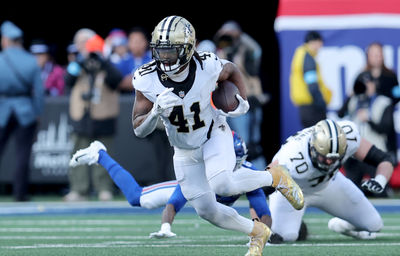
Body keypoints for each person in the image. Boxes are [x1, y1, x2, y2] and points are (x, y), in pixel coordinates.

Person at [131, 15, 304, 256]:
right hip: (183, 148)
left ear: (188, 49)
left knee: (222, 183)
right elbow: (139, 129)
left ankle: (273, 177)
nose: (164, 57)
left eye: (171, 51)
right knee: (206, 210)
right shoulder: (145, 77)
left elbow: (232, 70)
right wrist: (155, 112)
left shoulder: (207, 65)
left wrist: (242, 102)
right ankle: (256, 231)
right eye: (160, 51)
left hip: (213, 133)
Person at [69, 131, 293, 244]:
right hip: (191, 185)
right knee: (138, 198)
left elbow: (262, 210)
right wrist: (166, 226)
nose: (231, 165)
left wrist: (264, 233)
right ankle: (99, 154)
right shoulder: (205, 169)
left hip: (210, 204)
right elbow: (176, 201)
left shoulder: (247, 171)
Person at [268, 119, 394, 242]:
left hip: (329, 184)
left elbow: (385, 159)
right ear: (313, 148)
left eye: (334, 159)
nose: (329, 162)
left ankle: (340, 225)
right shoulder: (290, 157)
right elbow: (258, 187)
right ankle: (295, 225)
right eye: (325, 158)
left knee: (374, 224)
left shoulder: (348, 136)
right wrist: (258, 223)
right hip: (290, 192)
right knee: (285, 236)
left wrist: (380, 180)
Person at [64, 29, 123, 201]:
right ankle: (78, 189)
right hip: (81, 115)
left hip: (103, 115)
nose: (82, 46)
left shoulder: (107, 60)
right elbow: (68, 80)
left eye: (85, 42)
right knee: (78, 152)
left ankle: (104, 188)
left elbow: (116, 80)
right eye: (80, 43)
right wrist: (80, 62)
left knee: (103, 153)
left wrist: (102, 60)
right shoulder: (76, 62)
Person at [214, 21, 269, 169]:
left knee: (251, 145)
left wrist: (238, 34)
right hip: (227, 106)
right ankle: (236, 176)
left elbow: (257, 50)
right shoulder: (221, 53)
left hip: (248, 104)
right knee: (231, 143)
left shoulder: (247, 52)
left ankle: (258, 177)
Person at [0, 21, 44, 201]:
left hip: (2, 111)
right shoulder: (31, 61)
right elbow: (39, 93)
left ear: (7, 40)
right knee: (23, 154)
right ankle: (20, 193)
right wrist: (38, 113)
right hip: (25, 111)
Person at [338, 69, 396, 196]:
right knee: (350, 193)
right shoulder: (354, 100)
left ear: (374, 84)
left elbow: (386, 128)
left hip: (374, 152)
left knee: (379, 192)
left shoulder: (383, 101)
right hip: (355, 153)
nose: (366, 87)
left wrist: (369, 120)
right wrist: (350, 94)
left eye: (368, 83)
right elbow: (340, 114)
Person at [290, 30, 332, 128]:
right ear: (315, 42)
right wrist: (322, 104)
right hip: (312, 108)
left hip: (306, 107)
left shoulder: (300, 54)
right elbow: (312, 84)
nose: (320, 47)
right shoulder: (307, 58)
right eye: (320, 43)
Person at [117, 27, 152, 92]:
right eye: (133, 41)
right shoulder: (124, 61)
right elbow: (118, 82)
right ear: (128, 43)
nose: (136, 44)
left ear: (146, 42)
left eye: (139, 41)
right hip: (128, 99)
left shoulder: (153, 59)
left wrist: (132, 80)